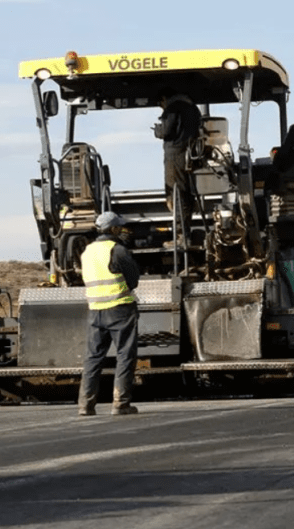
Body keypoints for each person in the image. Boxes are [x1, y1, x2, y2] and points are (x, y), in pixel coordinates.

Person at [78, 211, 141, 416]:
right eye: (119, 227)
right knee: (124, 355)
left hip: (95, 310)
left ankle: (85, 405)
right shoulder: (117, 250)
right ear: (113, 229)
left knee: (93, 357)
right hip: (119, 308)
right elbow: (133, 279)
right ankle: (121, 403)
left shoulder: (87, 252)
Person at [154, 90, 202, 243]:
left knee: (176, 193)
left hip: (174, 156)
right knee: (186, 194)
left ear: (164, 98)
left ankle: (181, 236)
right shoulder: (194, 108)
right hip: (189, 155)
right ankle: (185, 232)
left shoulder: (172, 108)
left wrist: (157, 130)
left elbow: (166, 131)